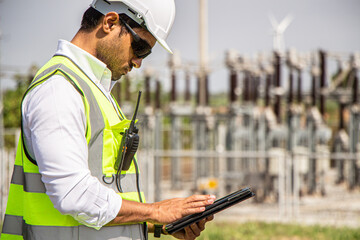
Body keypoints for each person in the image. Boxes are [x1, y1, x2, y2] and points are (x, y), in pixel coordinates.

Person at [0, 0, 215, 239]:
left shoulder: (94, 90)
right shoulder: (60, 89)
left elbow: (103, 198)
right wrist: (155, 211)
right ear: (110, 22)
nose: (138, 62)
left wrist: (157, 225)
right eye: (140, 47)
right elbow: (74, 194)